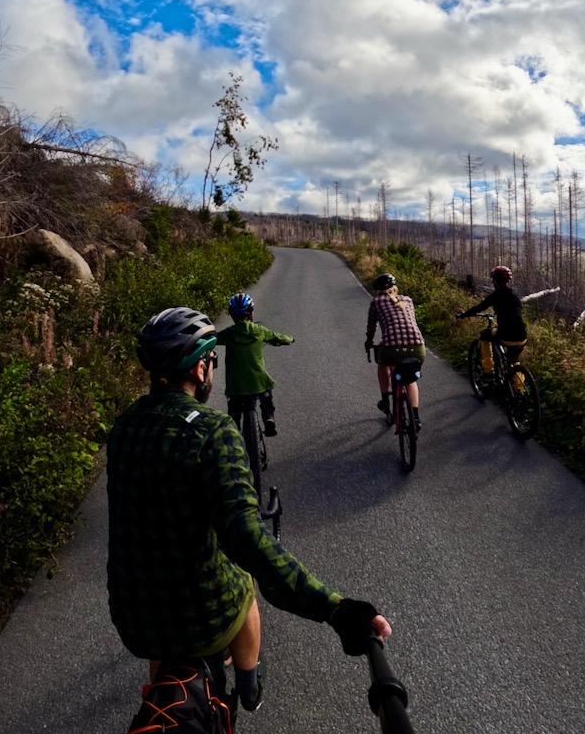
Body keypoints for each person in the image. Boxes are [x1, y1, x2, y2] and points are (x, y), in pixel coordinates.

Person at [107, 306, 391, 718]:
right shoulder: (212, 430)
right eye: (211, 361)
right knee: (243, 583)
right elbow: (245, 538)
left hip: (135, 618)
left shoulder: (124, 427)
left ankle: (161, 692)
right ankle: (249, 685)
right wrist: (334, 608)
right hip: (201, 618)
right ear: (201, 368)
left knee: (169, 646)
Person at [216, 292, 292, 438]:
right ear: (250, 312)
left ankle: (234, 431)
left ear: (232, 315)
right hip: (257, 383)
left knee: (234, 411)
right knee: (266, 392)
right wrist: (289, 338)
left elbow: (213, 339)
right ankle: (268, 418)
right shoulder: (259, 330)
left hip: (236, 386)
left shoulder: (228, 334)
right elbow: (278, 337)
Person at [365, 273, 427, 427]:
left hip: (391, 349)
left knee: (382, 363)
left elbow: (372, 326)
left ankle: (385, 400)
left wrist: (369, 342)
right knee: (410, 380)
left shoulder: (376, 302)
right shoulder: (408, 300)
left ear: (378, 290)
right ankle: (416, 418)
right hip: (418, 347)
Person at [456, 265, 528, 368]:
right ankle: (517, 383)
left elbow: (479, 307)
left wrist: (463, 315)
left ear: (495, 281)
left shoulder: (496, 295)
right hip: (522, 335)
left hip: (506, 334)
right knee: (512, 362)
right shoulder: (515, 294)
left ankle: (488, 369)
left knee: (484, 335)